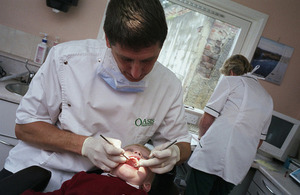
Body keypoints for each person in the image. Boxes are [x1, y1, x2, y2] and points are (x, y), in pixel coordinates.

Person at [0, 0, 191, 192]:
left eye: (148, 60)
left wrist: (175, 153)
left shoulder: (168, 85)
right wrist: (85, 145)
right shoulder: (66, 59)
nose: (135, 72)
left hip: (100, 185)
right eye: (126, 59)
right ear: (108, 40)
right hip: (36, 171)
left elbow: (181, 142)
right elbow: (25, 128)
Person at [185, 54, 273, 195]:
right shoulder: (268, 99)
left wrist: (202, 139)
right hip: (238, 164)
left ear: (231, 72)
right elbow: (259, 141)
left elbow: (206, 120)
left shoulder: (231, 81)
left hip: (212, 155)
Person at [22, 144, 155, 195]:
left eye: (144, 158)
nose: (136, 154)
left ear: (146, 186)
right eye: (130, 150)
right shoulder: (83, 177)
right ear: (110, 164)